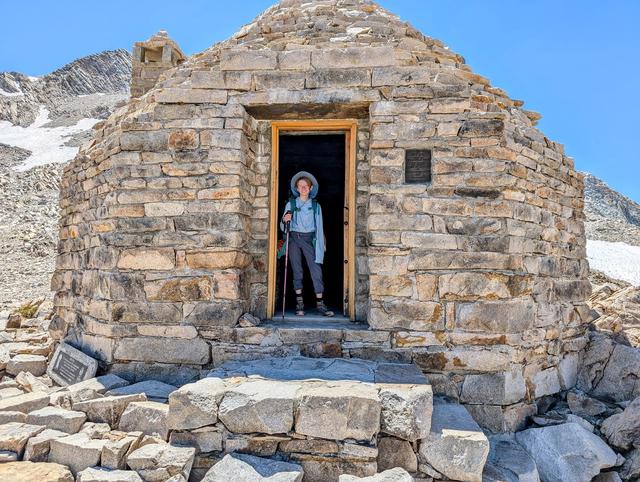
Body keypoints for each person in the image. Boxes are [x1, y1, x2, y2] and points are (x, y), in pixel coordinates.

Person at [280, 171, 334, 317]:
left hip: (310, 239)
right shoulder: (291, 204)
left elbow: (320, 226)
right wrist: (285, 219)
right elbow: (282, 226)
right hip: (294, 239)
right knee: (297, 270)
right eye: (300, 186)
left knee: (316, 269)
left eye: (306, 186)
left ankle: (320, 304)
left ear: (310, 188)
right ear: (297, 188)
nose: (303, 188)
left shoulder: (316, 206)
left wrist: (322, 243)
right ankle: (299, 304)